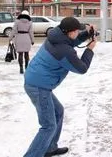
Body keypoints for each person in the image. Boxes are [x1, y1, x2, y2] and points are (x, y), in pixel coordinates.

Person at [23, 17, 97, 157]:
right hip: (38, 86)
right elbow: (81, 68)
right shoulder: (64, 50)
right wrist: (89, 49)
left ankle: (49, 148)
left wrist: (87, 33)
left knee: (58, 112)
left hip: (36, 81)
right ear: (69, 32)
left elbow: (72, 41)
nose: (77, 32)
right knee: (48, 126)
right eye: (76, 31)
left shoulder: (57, 35)